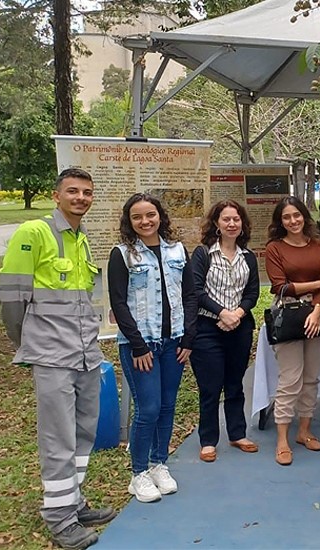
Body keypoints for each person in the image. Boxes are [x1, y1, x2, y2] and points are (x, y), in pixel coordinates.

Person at [0, 168, 115, 550]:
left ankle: (73, 501)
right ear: (56, 195)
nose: (81, 197)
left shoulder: (80, 240)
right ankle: (60, 518)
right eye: (73, 191)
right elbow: (11, 299)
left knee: (84, 433)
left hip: (85, 354)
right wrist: (29, 343)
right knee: (58, 437)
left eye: (87, 192)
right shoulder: (34, 233)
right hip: (53, 357)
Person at [107, 193, 196, 503]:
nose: (145, 221)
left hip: (174, 343)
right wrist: (138, 345)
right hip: (141, 345)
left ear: (160, 216)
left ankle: (160, 463)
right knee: (148, 409)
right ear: (129, 221)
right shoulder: (123, 255)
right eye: (137, 217)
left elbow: (189, 295)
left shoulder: (177, 251)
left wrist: (187, 338)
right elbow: (118, 302)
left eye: (150, 215)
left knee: (168, 405)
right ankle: (139, 473)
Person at [190, 200, 260, 463]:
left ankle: (237, 434)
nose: (232, 224)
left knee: (235, 384)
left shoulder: (248, 257)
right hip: (208, 328)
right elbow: (196, 291)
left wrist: (237, 314)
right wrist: (222, 313)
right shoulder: (203, 254)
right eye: (226, 219)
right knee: (210, 386)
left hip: (240, 327)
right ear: (217, 224)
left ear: (242, 224)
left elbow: (252, 292)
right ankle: (208, 440)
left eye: (236, 220)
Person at [265, 196, 320, 466]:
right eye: (286, 217)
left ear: (305, 216)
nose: (293, 221)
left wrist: (317, 310)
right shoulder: (274, 248)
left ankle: (304, 430)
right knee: (290, 378)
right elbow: (281, 287)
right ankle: (283, 438)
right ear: (280, 222)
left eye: (296, 215)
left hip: (316, 314)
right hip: (287, 314)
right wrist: (318, 283)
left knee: (311, 377)